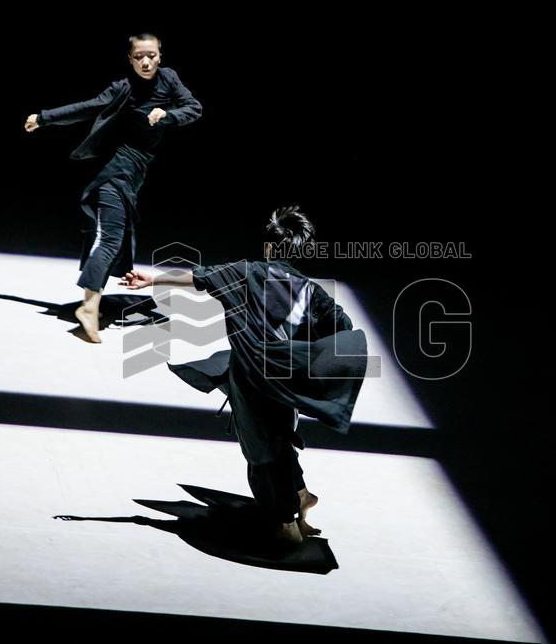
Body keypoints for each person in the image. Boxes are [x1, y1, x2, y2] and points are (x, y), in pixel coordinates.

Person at [120, 207, 369, 544]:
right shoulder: (310, 291)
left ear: (269, 246)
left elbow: (199, 277)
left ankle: (287, 523)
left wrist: (152, 279)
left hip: (251, 379)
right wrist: (305, 351)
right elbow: (341, 324)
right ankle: (300, 497)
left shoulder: (245, 272)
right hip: (285, 378)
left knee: (262, 450)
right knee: (277, 439)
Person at [25, 33, 202, 342]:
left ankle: (92, 302)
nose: (145, 62)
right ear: (130, 59)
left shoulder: (169, 78)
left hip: (134, 173)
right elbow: (88, 106)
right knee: (110, 239)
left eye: (151, 55)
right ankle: (88, 308)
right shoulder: (123, 87)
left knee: (115, 240)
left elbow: (194, 108)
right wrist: (43, 118)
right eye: (138, 56)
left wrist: (168, 115)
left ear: (160, 56)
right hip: (114, 170)